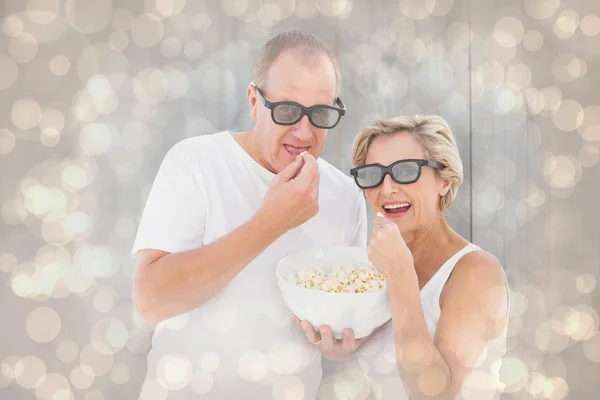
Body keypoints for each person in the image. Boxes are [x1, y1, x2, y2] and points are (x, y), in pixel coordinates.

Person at [130, 30, 368, 399]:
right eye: (288, 110)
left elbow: (346, 316)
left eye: (320, 113)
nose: (304, 132)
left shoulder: (345, 197)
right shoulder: (196, 162)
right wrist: (270, 223)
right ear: (254, 101)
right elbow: (150, 300)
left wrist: (341, 343)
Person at [294, 115, 510, 399]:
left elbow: (432, 395)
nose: (387, 189)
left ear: (444, 180)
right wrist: (342, 347)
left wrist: (399, 274)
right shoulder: (376, 269)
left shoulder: (476, 271)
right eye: (373, 174)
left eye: (406, 170)